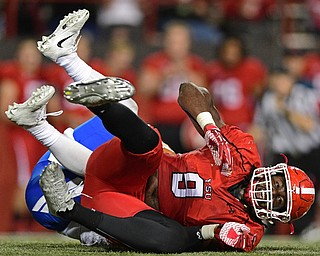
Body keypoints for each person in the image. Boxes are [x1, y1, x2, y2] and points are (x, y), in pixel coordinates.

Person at [6, 9, 315, 252]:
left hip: (125, 208)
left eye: (277, 198)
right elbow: (188, 92)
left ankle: (67, 196)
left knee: (169, 241)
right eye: (277, 184)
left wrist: (212, 233)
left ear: (278, 216)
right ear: (275, 170)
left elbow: (188, 240)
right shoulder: (243, 152)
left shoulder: (249, 230)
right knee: (146, 136)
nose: (268, 191)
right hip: (137, 169)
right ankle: (88, 104)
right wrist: (211, 129)